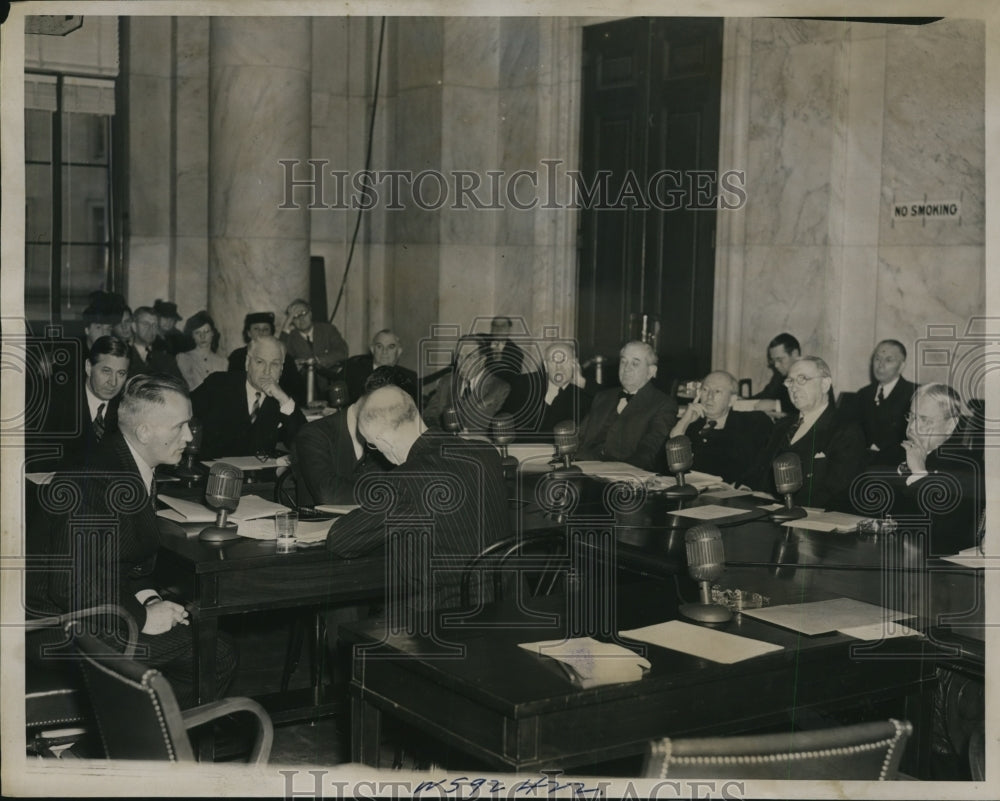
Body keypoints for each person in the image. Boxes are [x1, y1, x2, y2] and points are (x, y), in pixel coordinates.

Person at [26, 374, 237, 708]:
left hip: (93, 610)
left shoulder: (129, 463)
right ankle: (155, 748)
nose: (189, 436)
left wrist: (150, 600)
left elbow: (124, 563)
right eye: (180, 426)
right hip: (58, 627)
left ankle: (143, 740)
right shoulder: (95, 481)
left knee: (208, 648)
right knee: (215, 653)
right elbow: (70, 586)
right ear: (144, 432)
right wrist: (140, 618)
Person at [325, 385, 509, 611]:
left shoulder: (405, 481)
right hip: (507, 605)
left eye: (371, 444)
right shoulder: (487, 453)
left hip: (445, 619)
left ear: (383, 439)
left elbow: (341, 540)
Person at [849, 384, 983, 555]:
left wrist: (919, 473)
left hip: (936, 568)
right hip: (877, 554)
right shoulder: (891, 454)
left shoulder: (967, 465)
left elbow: (945, 532)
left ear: (951, 425)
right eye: (911, 417)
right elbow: (852, 502)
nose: (912, 427)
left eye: (925, 420)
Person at [747, 356, 866, 509]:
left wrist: (779, 504)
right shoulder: (782, 426)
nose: (794, 388)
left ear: (825, 384)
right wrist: (745, 489)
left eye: (802, 379)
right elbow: (760, 470)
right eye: (790, 381)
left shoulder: (846, 430)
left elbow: (837, 493)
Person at [291, 366, 405, 506]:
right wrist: (388, 494)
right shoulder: (313, 434)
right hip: (321, 525)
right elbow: (328, 494)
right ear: (368, 398)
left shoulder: (386, 436)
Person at [193, 335, 307, 458]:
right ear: (247, 362)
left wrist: (283, 399)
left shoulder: (282, 399)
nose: (267, 371)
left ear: (281, 369)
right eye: (260, 362)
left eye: (274, 364)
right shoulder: (218, 384)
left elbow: (305, 445)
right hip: (217, 472)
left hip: (261, 475)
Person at [575, 341, 677, 471]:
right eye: (623, 362)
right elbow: (580, 437)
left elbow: (649, 451)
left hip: (622, 476)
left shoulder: (663, 404)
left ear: (651, 371)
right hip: (584, 467)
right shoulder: (603, 397)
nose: (626, 368)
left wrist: (623, 473)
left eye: (635, 363)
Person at [33, 335, 131, 470]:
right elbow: (38, 459)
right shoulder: (55, 400)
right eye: (106, 371)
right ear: (88, 367)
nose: (113, 382)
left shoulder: (128, 406)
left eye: (121, 373)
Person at [669, 370, 772, 485]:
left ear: (731, 400)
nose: (709, 397)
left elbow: (757, 470)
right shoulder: (690, 424)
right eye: (705, 390)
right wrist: (684, 422)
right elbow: (664, 465)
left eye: (717, 391)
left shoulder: (751, 424)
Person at [501, 341, 594, 439]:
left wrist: (581, 384)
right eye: (553, 361)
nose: (559, 367)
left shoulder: (583, 392)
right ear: (545, 365)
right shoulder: (524, 384)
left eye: (564, 360)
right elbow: (500, 421)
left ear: (574, 363)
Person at [422, 336, 510, 433]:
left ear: (482, 360)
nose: (462, 363)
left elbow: (498, 430)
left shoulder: (500, 387)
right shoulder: (447, 382)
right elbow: (429, 416)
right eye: (459, 357)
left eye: (470, 357)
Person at [851, 339, 916, 466]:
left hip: (894, 467)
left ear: (902, 366)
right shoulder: (863, 394)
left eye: (888, 360)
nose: (880, 365)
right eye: (877, 359)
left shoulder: (914, 394)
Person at [227, 311, 306, 404]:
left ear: (271, 333)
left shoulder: (284, 357)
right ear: (248, 333)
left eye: (265, 329)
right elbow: (233, 386)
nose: (261, 333)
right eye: (256, 329)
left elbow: (296, 391)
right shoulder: (238, 356)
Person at [279, 299, 349, 398]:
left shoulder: (328, 330)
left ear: (310, 313)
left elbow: (343, 351)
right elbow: (279, 355)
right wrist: (294, 365)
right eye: (295, 317)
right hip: (302, 392)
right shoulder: (290, 337)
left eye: (303, 313)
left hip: (330, 387)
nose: (301, 318)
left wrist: (318, 360)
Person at [342, 329, 419, 403]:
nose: (384, 351)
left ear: (399, 351)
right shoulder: (353, 372)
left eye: (391, 347)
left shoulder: (409, 377)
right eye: (379, 346)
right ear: (372, 349)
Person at [176, 310, 228, 391]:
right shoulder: (184, 358)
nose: (202, 336)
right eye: (197, 333)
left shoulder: (223, 362)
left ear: (212, 333)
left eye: (206, 332)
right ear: (192, 335)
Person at [129, 306, 183, 380]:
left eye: (154, 325)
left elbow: (181, 386)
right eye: (145, 324)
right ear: (134, 326)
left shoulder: (167, 359)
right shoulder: (125, 355)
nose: (151, 328)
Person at [752, 332, 799, 415]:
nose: (776, 365)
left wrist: (775, 405)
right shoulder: (780, 375)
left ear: (795, 354)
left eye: (780, 360)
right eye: (773, 361)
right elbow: (765, 395)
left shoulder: (811, 374)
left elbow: (808, 408)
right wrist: (742, 400)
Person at [482, 316, 525, 383]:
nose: (499, 329)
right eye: (495, 325)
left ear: (509, 330)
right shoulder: (481, 342)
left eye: (503, 326)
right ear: (491, 328)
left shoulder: (516, 352)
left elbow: (514, 378)